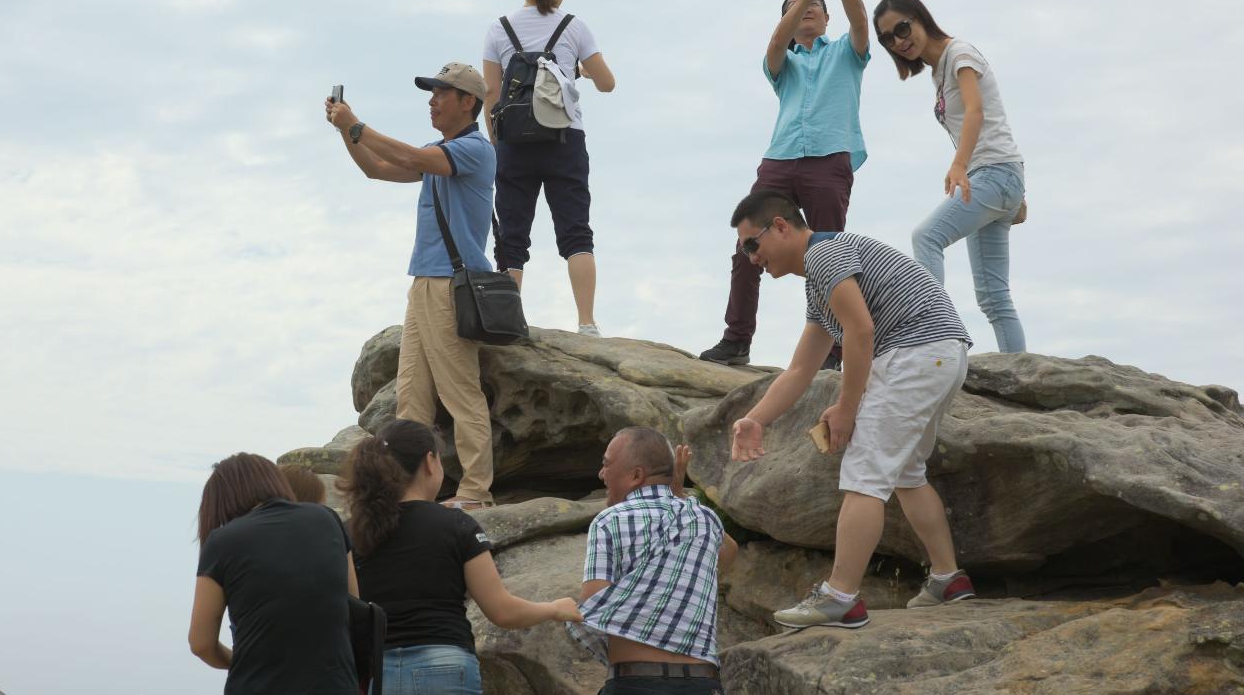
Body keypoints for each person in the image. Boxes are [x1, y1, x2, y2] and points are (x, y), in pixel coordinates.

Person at [726, 191, 976, 629]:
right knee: (906, 474)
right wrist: (756, 419)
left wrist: (847, 407)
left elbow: (861, 330)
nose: (751, 258)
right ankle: (947, 579)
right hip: (939, 352)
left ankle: (840, 597)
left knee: (864, 474)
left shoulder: (825, 254)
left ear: (781, 226)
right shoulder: (820, 276)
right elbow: (802, 368)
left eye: (752, 244)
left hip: (914, 353)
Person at [326, 63, 498, 509]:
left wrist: (358, 125)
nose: (432, 100)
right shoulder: (439, 150)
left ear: (468, 102)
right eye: (432, 92)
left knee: (460, 393)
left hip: (450, 286)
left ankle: (477, 492)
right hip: (424, 283)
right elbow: (377, 169)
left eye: (442, 93)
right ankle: (412, 492)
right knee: (411, 400)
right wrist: (346, 132)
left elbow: (413, 160)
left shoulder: (475, 149)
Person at [700, 0, 870, 368]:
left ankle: (833, 350)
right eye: (795, 7)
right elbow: (777, 42)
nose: (807, 8)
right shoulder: (783, 62)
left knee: (829, 254)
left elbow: (861, 21)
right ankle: (736, 339)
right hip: (780, 158)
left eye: (815, 5)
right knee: (748, 244)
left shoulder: (845, 53)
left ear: (828, 17)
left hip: (830, 158)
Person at [341, 419, 583, 694]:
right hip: (444, 666)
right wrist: (554, 608)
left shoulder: (352, 532)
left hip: (377, 673)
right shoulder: (456, 525)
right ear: (430, 462)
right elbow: (502, 611)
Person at [873, 0, 1027, 352]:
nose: (899, 40)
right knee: (993, 297)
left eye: (902, 28)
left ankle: (930, 334)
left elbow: (976, 111)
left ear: (919, 17)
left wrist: (960, 165)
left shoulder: (959, 53)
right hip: (993, 178)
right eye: (888, 38)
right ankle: (1020, 374)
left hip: (994, 173)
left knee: (926, 237)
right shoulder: (938, 72)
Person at [482, 0, 616, 337]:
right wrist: (580, 70)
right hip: (564, 138)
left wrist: (497, 140)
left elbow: (490, 91)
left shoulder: (498, 28)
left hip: (513, 141)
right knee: (576, 232)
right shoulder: (574, 27)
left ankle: (508, 321)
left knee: (512, 235)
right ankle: (587, 323)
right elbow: (608, 83)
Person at [571, 427, 738, 694]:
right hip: (701, 683)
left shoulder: (610, 519)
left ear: (636, 475)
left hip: (635, 682)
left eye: (606, 464)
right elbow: (728, 553)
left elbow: (593, 603)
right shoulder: (704, 520)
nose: (601, 474)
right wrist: (680, 496)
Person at [188, 453, 359, 695]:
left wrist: (239, 661)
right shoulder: (327, 519)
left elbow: (201, 643)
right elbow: (353, 606)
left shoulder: (223, 541)